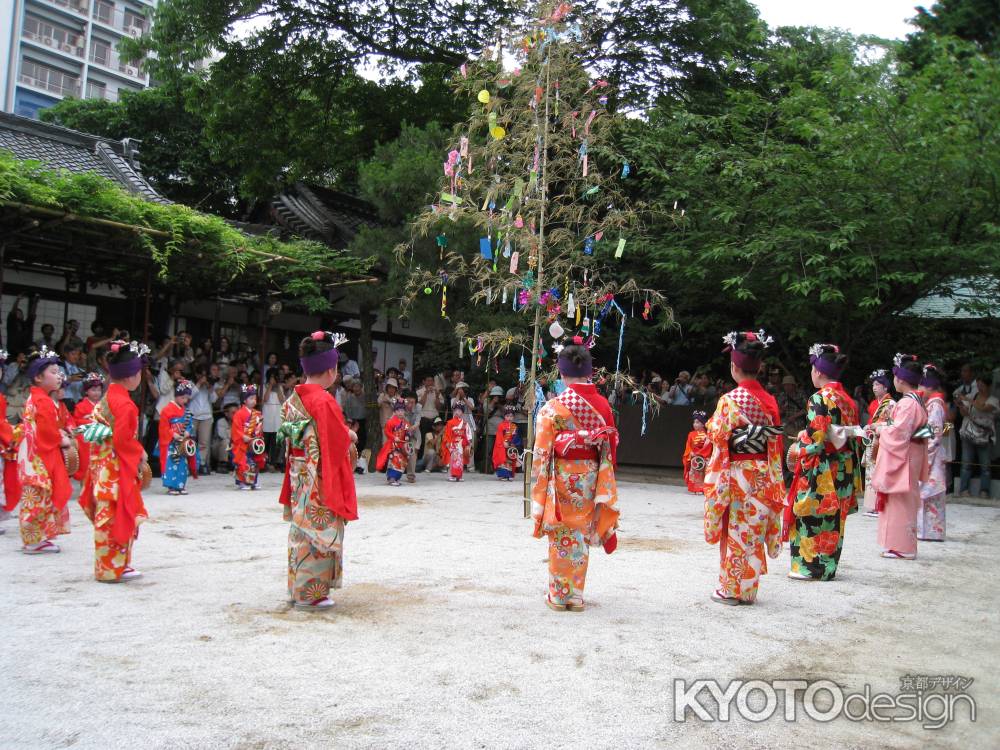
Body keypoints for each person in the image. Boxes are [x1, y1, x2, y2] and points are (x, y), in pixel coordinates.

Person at [530, 337, 619, 612]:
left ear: (561, 371)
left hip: (561, 478)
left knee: (561, 533)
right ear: (590, 370)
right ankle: (576, 596)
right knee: (580, 533)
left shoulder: (554, 407)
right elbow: (611, 445)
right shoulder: (603, 405)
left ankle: (559, 595)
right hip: (591, 476)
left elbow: (542, 452)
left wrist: (540, 483)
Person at [278, 331, 357, 611]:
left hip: (299, 474)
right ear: (332, 369)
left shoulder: (293, 399)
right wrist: (350, 437)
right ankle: (311, 594)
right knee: (318, 532)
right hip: (319, 477)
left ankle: (297, 588)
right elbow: (334, 443)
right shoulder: (324, 401)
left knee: (301, 530)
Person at [702, 331, 784, 605]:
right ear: (759, 367)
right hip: (762, 472)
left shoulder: (730, 400)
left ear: (734, 367)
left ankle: (730, 589)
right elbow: (774, 438)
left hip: (737, 473)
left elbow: (716, 434)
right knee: (753, 529)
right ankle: (748, 589)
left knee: (737, 529)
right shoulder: (770, 401)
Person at [786, 343, 861, 581]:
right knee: (834, 519)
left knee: (811, 515)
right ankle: (828, 567)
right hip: (844, 465)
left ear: (818, 371)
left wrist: (799, 446)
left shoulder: (820, 399)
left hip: (824, 466)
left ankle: (809, 567)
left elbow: (816, 441)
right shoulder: (847, 399)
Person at [78, 340, 149, 582]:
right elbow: (123, 441)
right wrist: (140, 453)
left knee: (107, 516)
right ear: (131, 376)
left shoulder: (109, 397)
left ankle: (112, 565)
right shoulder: (125, 405)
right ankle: (113, 567)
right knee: (116, 516)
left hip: (102, 466)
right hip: (115, 469)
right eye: (139, 372)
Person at [12, 348, 73, 554]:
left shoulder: (36, 397)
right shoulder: (44, 400)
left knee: (36, 496)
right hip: (38, 455)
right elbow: (47, 431)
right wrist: (61, 439)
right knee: (37, 496)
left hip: (31, 452)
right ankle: (32, 541)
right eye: (54, 372)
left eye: (59, 372)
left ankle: (35, 538)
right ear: (38, 377)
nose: (59, 376)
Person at [871, 354, 930, 560]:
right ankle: (899, 544)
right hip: (911, 452)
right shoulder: (916, 401)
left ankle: (902, 546)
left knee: (900, 499)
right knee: (902, 498)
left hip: (904, 455)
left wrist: (880, 430)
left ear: (901, 379)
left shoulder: (907, 404)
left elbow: (899, 433)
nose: (893, 380)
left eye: (895, 376)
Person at [918, 364, 949, 541]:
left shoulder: (935, 405)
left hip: (932, 454)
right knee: (928, 495)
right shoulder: (933, 403)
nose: (920, 389)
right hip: (932, 452)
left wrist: (914, 436)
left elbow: (934, 432)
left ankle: (931, 531)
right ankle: (929, 530)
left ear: (929, 385)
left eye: (921, 385)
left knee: (929, 493)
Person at [956, 374, 997, 498]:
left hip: (984, 436)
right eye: (978, 385)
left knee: (985, 466)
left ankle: (984, 491)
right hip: (968, 433)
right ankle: (964, 490)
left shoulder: (993, 400)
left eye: (982, 385)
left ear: (989, 386)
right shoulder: (971, 396)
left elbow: (983, 408)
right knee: (966, 464)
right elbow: (964, 413)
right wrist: (960, 405)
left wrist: (967, 400)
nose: (979, 388)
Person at [862, 369, 896, 517]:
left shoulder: (891, 404)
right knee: (870, 473)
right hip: (872, 440)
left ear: (886, 387)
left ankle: (879, 505)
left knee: (879, 472)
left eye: (878, 384)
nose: (874, 387)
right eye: (873, 384)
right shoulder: (874, 404)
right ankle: (871, 505)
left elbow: (892, 424)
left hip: (882, 442)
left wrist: (877, 427)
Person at [158, 379, 194, 496]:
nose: (185, 400)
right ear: (177, 396)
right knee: (171, 463)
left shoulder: (185, 411)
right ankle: (171, 486)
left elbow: (189, 424)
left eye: (187, 398)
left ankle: (180, 485)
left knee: (182, 464)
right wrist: (172, 434)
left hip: (181, 442)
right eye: (183, 397)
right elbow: (163, 427)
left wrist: (187, 432)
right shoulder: (167, 410)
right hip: (171, 443)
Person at [72, 373, 105, 482]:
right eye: (93, 390)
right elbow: (76, 422)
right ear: (86, 391)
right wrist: (90, 420)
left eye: (99, 390)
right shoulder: (80, 406)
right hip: (86, 433)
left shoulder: (103, 405)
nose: (96, 393)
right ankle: (85, 476)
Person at [231, 384, 265, 490]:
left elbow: (259, 429)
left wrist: (258, 437)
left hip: (253, 442)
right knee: (244, 462)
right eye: (251, 398)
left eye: (255, 398)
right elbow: (236, 429)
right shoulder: (239, 414)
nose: (254, 400)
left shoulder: (257, 414)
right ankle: (242, 482)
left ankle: (253, 482)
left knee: (255, 461)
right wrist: (242, 436)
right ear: (244, 400)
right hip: (243, 442)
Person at [189, 365, 219, 475]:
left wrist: (209, 387)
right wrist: (198, 384)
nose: (203, 378)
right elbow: (189, 396)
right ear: (196, 375)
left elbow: (214, 399)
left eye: (204, 376)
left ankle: (201, 463)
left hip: (206, 416)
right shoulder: (190, 383)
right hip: (193, 415)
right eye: (200, 375)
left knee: (204, 442)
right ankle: (190, 463)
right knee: (190, 440)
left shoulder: (209, 385)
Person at [376, 399, 410, 487]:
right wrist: (394, 437)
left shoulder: (405, 423)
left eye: (402, 410)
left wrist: (407, 439)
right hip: (393, 445)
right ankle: (391, 478)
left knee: (403, 461)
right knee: (395, 460)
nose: (400, 412)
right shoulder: (391, 421)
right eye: (398, 410)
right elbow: (387, 432)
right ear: (395, 411)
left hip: (401, 444)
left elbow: (407, 432)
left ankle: (396, 478)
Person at [682, 410, 712, 494]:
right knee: (694, 472)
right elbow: (688, 446)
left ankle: (704, 489)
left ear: (703, 423)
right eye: (694, 422)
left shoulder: (708, 435)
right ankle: (695, 489)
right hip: (694, 456)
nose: (695, 424)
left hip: (705, 457)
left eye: (698, 422)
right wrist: (690, 452)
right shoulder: (691, 434)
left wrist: (701, 454)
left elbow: (709, 446)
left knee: (706, 472)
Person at [492, 406, 522, 481]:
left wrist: (512, 443)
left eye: (511, 416)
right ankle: (502, 475)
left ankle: (509, 475)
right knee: (502, 460)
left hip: (510, 445)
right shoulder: (501, 425)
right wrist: (503, 443)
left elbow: (516, 436)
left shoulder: (514, 426)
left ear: (513, 417)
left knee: (510, 460)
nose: (509, 418)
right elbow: (499, 436)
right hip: (502, 445)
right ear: (504, 416)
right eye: (507, 416)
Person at [442, 403, 470, 481]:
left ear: (462, 412)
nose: (457, 412)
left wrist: (467, 443)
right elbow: (447, 434)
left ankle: (459, 476)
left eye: (459, 410)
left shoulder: (465, 423)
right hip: (453, 444)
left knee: (460, 460)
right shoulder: (450, 422)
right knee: (453, 460)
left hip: (461, 443)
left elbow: (467, 434)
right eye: (456, 410)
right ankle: (452, 475)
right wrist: (448, 442)